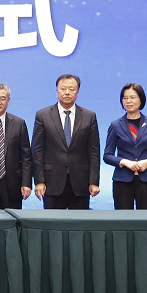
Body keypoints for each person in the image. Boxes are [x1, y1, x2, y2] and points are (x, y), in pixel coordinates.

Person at [32, 74, 101, 210]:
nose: (67, 92)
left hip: (81, 182)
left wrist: (94, 181)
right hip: (52, 182)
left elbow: (94, 152)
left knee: (79, 222)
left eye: (71, 89)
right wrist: (39, 181)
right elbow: (37, 151)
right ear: (57, 91)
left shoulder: (89, 116)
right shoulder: (43, 115)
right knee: (53, 221)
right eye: (63, 89)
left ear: (77, 92)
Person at [103, 83, 147, 210]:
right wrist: (125, 162)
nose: (128, 101)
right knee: (123, 218)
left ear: (141, 100)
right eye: (125, 98)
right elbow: (107, 155)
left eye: (132, 97)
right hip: (122, 180)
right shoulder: (115, 125)